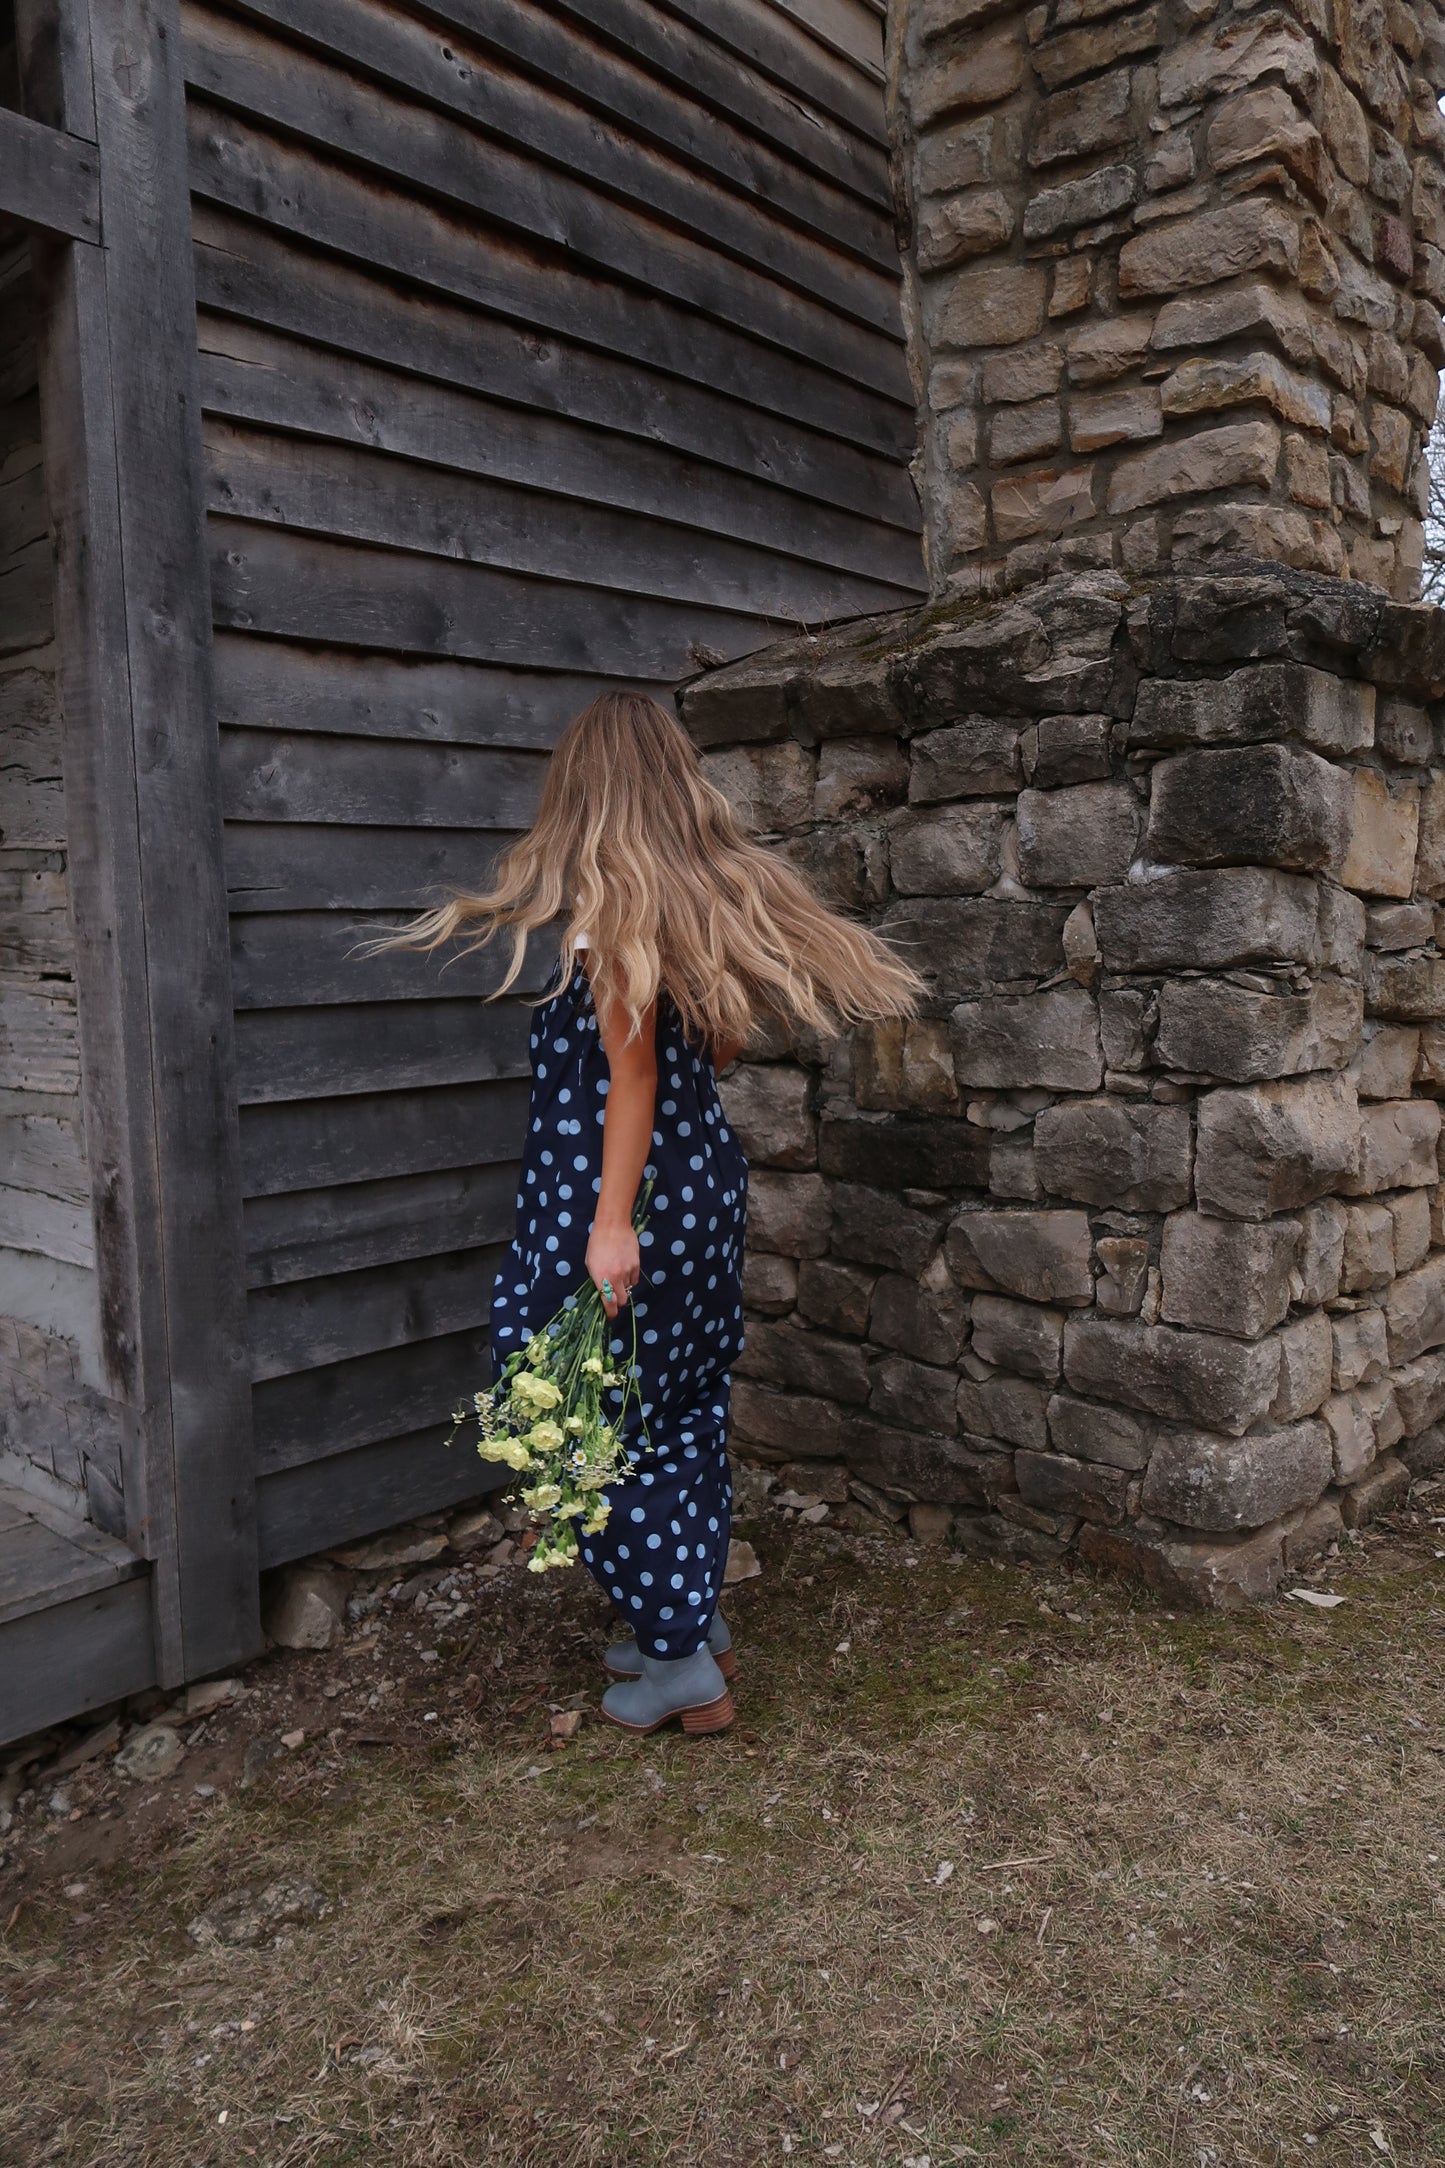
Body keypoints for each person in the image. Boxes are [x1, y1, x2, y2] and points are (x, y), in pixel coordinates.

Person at [395, 691, 920, 1736]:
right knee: (674, 1406)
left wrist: (606, 1222)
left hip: (619, 1202)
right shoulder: (687, 921)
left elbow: (629, 1082)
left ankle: (679, 1661)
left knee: (565, 1402)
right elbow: (714, 1054)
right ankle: (682, 1616)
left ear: (584, 792)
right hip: (700, 1192)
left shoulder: (604, 930)